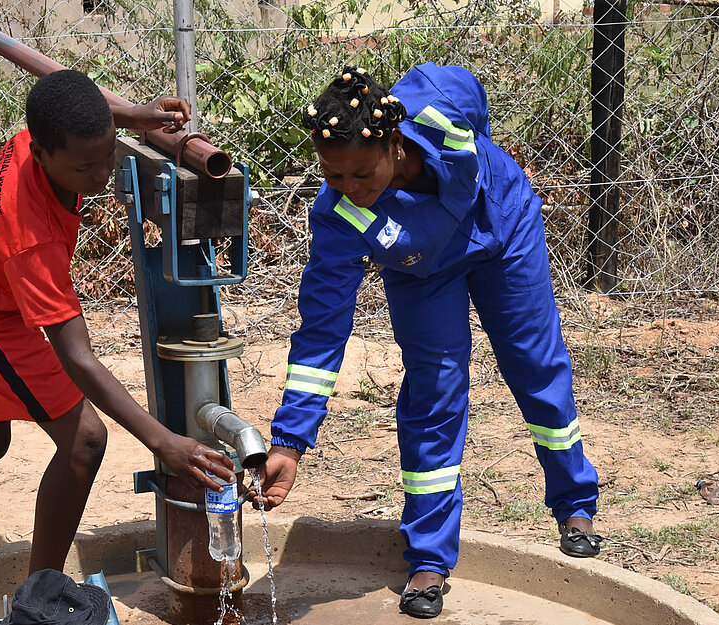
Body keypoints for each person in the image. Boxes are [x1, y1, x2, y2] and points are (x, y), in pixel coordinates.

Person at [246, 64, 602, 619]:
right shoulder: (339, 214)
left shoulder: (441, 103)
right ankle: (430, 560)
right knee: (434, 394)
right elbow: (323, 329)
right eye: (334, 177)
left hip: (503, 229)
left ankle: (575, 503)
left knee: (535, 365)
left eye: (363, 175)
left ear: (395, 142)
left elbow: (477, 110)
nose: (352, 191)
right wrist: (290, 441)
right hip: (421, 272)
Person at [0, 69, 236, 577]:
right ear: (44, 155)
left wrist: (134, 116)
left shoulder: (45, 126)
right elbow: (76, 355)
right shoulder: (32, 239)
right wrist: (162, 440)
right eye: (85, 167)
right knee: (84, 442)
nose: (101, 175)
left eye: (107, 156)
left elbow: (78, 95)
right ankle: (42, 596)